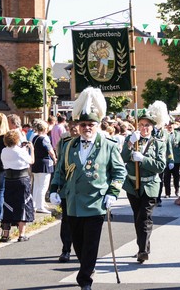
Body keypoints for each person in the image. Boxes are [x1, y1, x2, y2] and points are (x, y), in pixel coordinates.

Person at [51, 87, 126, 290]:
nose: (86, 128)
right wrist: (53, 189)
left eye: (90, 124)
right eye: (83, 124)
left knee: (91, 244)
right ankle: (86, 266)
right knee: (78, 243)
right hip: (73, 203)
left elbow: (120, 173)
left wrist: (112, 193)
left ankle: (85, 280)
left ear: (97, 124)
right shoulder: (69, 145)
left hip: (96, 203)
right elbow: (60, 169)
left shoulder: (108, 145)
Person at [121, 101, 167, 264]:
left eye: (147, 125)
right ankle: (143, 245)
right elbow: (123, 158)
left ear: (152, 127)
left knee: (145, 218)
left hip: (149, 186)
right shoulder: (132, 139)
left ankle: (142, 250)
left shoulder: (159, 143)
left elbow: (160, 166)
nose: (144, 128)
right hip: (133, 186)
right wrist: (130, 143)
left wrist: (144, 159)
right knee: (137, 217)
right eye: (141, 124)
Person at [49, 120, 80, 263]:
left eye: (78, 124)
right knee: (67, 220)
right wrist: (54, 188)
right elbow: (60, 166)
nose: (74, 127)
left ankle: (83, 251)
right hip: (67, 189)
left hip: (85, 190)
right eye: (72, 124)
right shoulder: (64, 142)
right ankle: (66, 250)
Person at [0, 129, 35, 242]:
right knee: (22, 204)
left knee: (8, 204)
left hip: (9, 179)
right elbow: (31, 161)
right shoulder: (20, 151)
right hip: (22, 179)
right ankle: (21, 234)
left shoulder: (4, 151)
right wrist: (31, 149)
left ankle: (5, 234)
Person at [31, 119, 57, 214]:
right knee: (43, 186)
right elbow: (50, 151)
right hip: (44, 163)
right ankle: (40, 206)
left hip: (36, 163)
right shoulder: (45, 138)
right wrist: (54, 159)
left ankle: (34, 204)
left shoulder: (35, 137)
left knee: (36, 186)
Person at [164, 121, 180, 197]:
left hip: (176, 159)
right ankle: (167, 193)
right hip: (167, 159)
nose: (170, 126)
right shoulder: (164, 134)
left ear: (174, 125)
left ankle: (177, 190)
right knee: (167, 177)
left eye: (171, 124)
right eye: (168, 124)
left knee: (176, 176)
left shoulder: (178, 134)